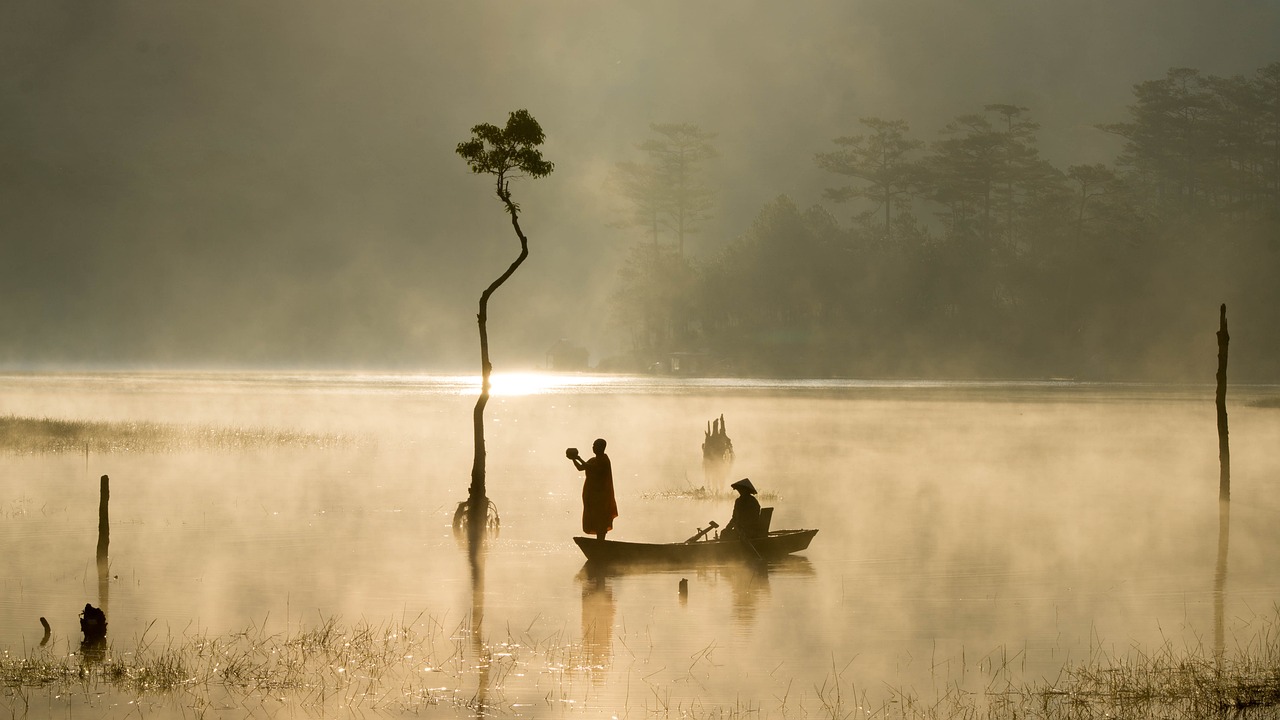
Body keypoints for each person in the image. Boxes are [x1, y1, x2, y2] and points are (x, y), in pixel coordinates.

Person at [567, 438, 618, 540]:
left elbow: (590, 467)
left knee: (601, 520)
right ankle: (600, 544)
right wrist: (573, 459)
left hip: (601, 497)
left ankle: (601, 543)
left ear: (601, 447)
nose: (593, 447)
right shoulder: (593, 460)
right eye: (593, 445)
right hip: (592, 497)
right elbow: (581, 468)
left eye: (595, 446)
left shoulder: (604, 460)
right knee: (594, 519)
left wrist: (578, 457)